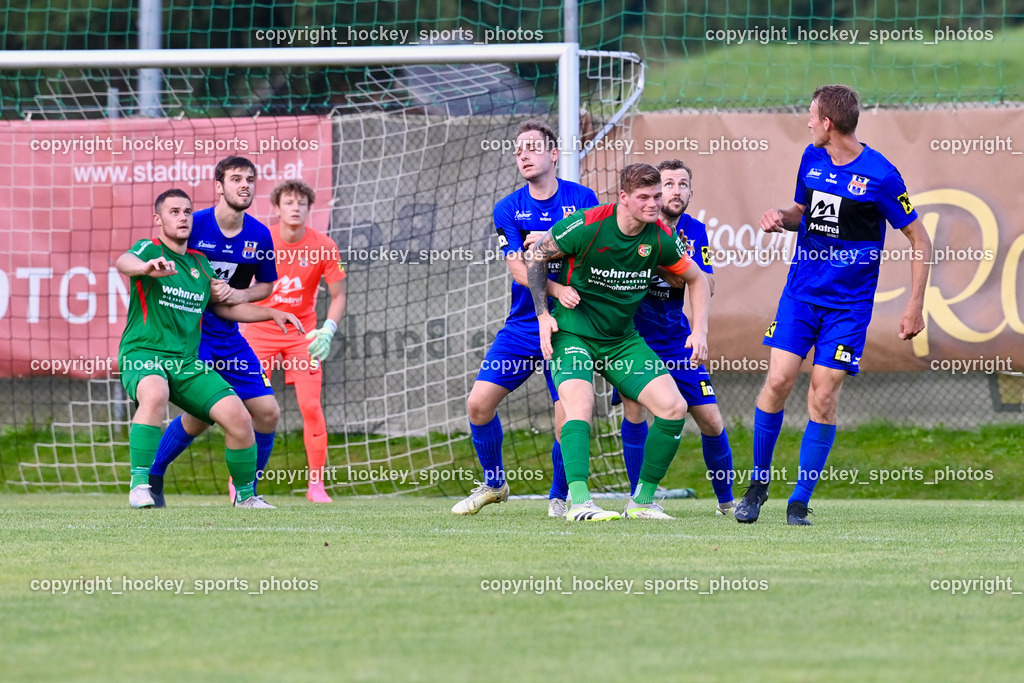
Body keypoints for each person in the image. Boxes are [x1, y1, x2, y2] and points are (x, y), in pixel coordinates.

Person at [736, 84, 931, 525]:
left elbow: (920, 239)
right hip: (801, 295)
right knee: (779, 381)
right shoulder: (812, 158)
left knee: (823, 394)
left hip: (849, 306)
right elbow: (802, 212)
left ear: (828, 123)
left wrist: (915, 307)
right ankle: (757, 486)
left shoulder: (881, 175)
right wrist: (780, 219)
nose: (806, 123)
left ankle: (800, 500)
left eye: (811, 116)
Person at [526, 163, 711, 521]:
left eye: (657, 196)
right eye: (644, 197)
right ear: (623, 198)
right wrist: (542, 314)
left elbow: (698, 279)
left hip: (620, 342)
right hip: (574, 334)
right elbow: (536, 256)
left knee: (674, 408)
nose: (654, 203)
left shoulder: (659, 238)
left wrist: (699, 331)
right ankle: (578, 502)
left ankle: (641, 502)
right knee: (579, 407)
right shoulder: (588, 223)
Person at [117, 189, 302, 509]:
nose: (183, 217)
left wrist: (271, 313)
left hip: (186, 361)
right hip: (143, 353)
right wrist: (146, 268)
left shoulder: (201, 266)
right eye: (174, 212)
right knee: (156, 392)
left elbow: (226, 309)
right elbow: (124, 261)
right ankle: (140, 484)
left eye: (187, 212)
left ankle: (245, 496)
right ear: (158, 219)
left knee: (239, 417)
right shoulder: (149, 250)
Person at [451, 119, 599, 517]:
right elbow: (517, 269)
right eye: (518, 150)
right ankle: (496, 483)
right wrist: (551, 286)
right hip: (524, 324)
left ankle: (558, 496)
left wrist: (551, 242)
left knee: (565, 416)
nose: (523, 154)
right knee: (478, 404)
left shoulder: (584, 199)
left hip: (570, 323)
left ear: (554, 154)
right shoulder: (509, 207)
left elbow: (594, 256)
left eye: (532, 147)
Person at [147, 156, 280, 507]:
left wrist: (241, 294)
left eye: (250, 179)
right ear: (219, 187)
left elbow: (265, 284)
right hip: (192, 337)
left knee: (267, 412)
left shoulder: (259, 234)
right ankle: (153, 475)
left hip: (229, 338)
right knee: (208, 413)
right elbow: (164, 263)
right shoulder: (195, 224)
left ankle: (245, 491)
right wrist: (204, 287)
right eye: (236, 179)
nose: (244, 185)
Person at [613, 159, 736, 516]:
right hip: (633, 337)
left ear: (690, 193)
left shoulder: (695, 232)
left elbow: (707, 284)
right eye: (668, 184)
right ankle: (641, 501)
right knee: (635, 411)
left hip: (675, 339)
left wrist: (685, 261)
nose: (675, 191)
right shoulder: (635, 228)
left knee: (711, 420)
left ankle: (728, 503)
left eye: (683, 185)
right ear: (654, 191)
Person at [242, 180, 347, 503]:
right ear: (277, 207)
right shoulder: (261, 240)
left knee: (311, 406)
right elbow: (238, 286)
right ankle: (242, 482)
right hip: (259, 330)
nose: (295, 207)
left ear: (309, 208)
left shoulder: (324, 245)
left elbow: (339, 295)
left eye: (301, 202)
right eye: (288, 202)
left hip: (304, 335)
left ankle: (316, 484)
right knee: (246, 409)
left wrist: (328, 330)